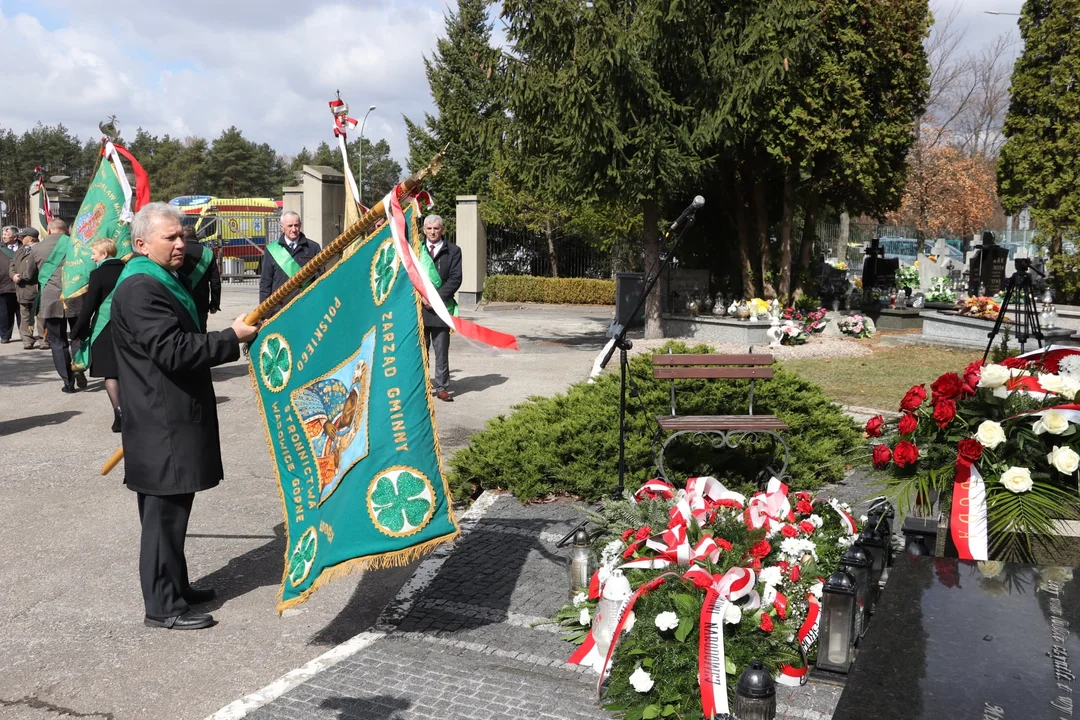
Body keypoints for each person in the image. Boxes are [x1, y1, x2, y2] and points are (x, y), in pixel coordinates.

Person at [112, 202, 259, 630]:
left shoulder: (159, 277)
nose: (182, 244)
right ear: (141, 244)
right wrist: (231, 337)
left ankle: (176, 585)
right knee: (162, 515)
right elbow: (172, 350)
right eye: (171, 238)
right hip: (162, 420)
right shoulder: (141, 287)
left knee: (175, 511)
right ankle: (163, 607)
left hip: (169, 415)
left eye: (183, 236)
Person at [72, 238, 125, 431]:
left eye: (94, 253)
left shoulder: (98, 274)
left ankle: (119, 412)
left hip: (105, 329)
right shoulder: (128, 270)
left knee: (110, 373)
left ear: (103, 254)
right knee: (128, 370)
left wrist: (78, 329)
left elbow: (89, 306)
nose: (92, 257)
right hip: (129, 327)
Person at [31, 218, 85, 392]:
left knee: (57, 341)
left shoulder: (37, 248)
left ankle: (67, 382)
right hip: (75, 296)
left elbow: (30, 274)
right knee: (78, 336)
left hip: (51, 300)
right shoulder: (77, 244)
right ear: (66, 230)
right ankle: (79, 367)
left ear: (49, 229)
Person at [421, 215, 462, 402]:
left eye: (436, 228)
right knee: (419, 351)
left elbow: (455, 278)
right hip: (419, 307)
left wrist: (435, 297)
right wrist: (421, 297)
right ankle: (420, 386)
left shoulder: (453, 251)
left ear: (442, 230)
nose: (432, 231)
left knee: (441, 351)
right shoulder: (415, 249)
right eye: (429, 228)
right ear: (423, 230)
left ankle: (442, 387)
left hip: (441, 307)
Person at [258, 211, 319, 305]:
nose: (294, 229)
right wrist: (264, 314)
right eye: (290, 226)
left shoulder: (313, 248)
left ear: (300, 225)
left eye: (296, 225)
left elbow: (320, 278)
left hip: (306, 304)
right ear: (282, 227)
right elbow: (265, 283)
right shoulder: (271, 250)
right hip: (279, 308)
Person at [180, 226, 221, 331]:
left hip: (180, 299)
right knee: (200, 332)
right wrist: (215, 303)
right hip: (201, 302)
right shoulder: (208, 253)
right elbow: (215, 282)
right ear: (196, 236)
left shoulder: (178, 251)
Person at [9, 227, 41, 350]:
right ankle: (27, 339)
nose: (20, 238)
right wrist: (13, 275)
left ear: (31, 238)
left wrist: (21, 277)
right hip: (22, 289)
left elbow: (35, 270)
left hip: (36, 287)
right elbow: (12, 264)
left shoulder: (39, 249)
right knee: (25, 316)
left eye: (23, 236)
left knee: (41, 315)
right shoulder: (20, 250)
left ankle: (44, 340)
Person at [0, 229, 17, 343]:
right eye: (3, 234)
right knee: (4, 313)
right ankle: (5, 335)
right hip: (3, 285)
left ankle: (27, 336)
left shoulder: (23, 247)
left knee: (23, 313)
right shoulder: (1, 248)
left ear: (15, 237)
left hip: (22, 285)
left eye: (7, 234)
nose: (4, 236)